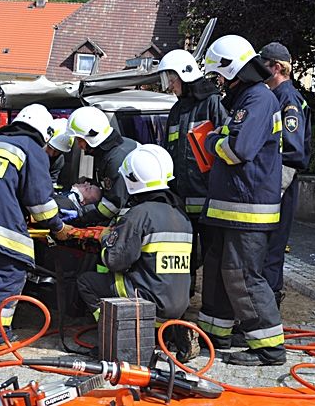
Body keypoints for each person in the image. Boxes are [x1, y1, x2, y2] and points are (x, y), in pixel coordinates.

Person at [197, 35, 286, 366]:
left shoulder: (258, 100)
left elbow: (239, 150)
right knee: (220, 272)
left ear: (232, 70)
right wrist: (221, 135)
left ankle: (269, 347)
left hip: (248, 210)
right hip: (229, 207)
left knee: (243, 276)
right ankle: (214, 334)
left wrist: (213, 140)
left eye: (219, 75)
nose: (218, 83)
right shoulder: (245, 99)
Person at [0, 103, 73, 347]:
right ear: (45, 132)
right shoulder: (31, 148)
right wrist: (58, 227)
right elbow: (40, 201)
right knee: (8, 275)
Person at [76, 144, 194, 359]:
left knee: (87, 281)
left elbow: (115, 261)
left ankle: (117, 337)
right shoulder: (181, 216)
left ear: (131, 179)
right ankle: (171, 333)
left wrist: (105, 240)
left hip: (148, 303)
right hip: (179, 304)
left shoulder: (139, 215)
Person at [158, 49, 228, 297]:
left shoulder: (212, 103)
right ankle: (183, 300)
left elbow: (225, 146)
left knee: (211, 256)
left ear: (185, 75)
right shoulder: (177, 109)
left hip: (208, 199)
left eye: (171, 79)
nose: (170, 85)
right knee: (183, 255)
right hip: (181, 200)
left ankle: (211, 302)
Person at [259, 42, 312, 309]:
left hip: (279, 186)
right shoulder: (275, 96)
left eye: (263, 66)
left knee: (270, 251)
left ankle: (266, 314)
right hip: (272, 185)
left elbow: (292, 152)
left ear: (277, 68)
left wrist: (272, 193)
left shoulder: (287, 100)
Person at [66, 106, 138, 226]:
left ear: (92, 136)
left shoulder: (116, 159)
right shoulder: (107, 152)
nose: (79, 145)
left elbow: (113, 205)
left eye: (80, 140)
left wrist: (81, 215)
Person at [44, 118, 73, 189]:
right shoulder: (33, 151)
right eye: (50, 148)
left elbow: (52, 182)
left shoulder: (59, 160)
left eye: (58, 151)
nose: (52, 154)